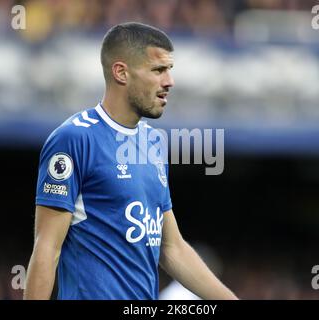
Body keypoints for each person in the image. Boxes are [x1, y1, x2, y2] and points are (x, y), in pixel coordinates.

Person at [23, 22, 238, 300]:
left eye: (169, 70)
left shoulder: (153, 144)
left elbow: (171, 249)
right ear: (121, 73)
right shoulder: (75, 139)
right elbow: (47, 249)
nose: (169, 81)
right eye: (158, 70)